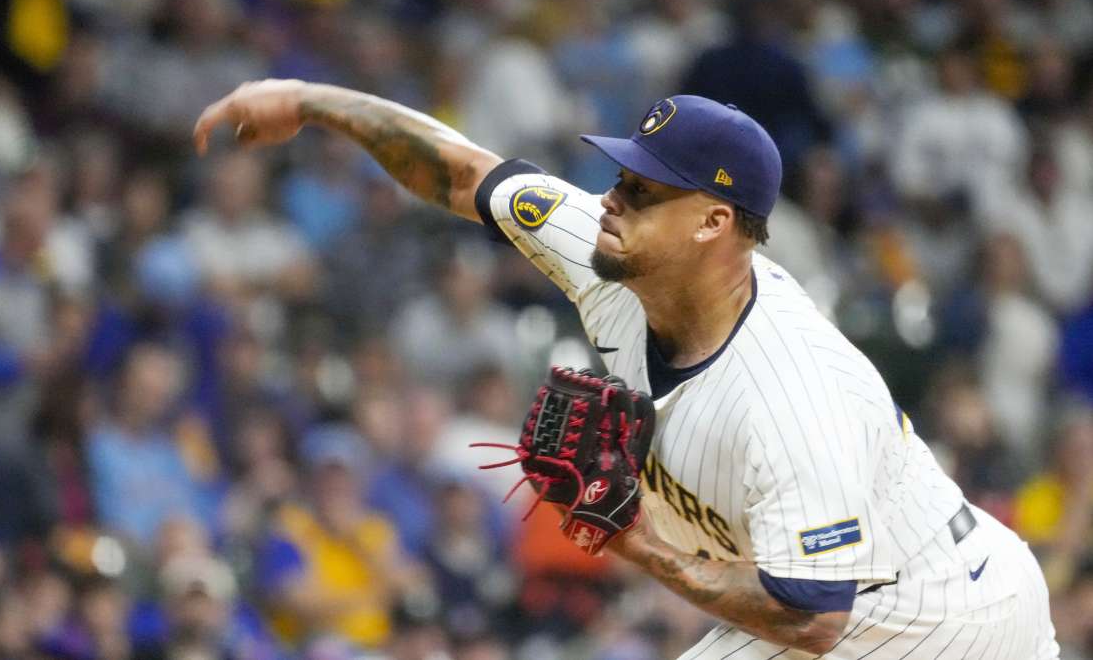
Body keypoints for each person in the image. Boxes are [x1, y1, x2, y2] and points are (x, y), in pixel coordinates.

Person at [193, 80, 1058, 657]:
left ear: (715, 223)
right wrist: (313, 101)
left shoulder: (792, 392)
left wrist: (637, 542)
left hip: (940, 616)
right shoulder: (613, 253)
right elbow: (463, 174)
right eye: (619, 175)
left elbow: (817, 613)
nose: (610, 198)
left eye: (642, 190)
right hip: (821, 591)